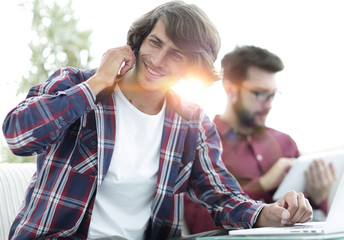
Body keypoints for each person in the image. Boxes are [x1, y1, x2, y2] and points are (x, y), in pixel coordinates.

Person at [2, 3, 312, 240]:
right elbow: (17, 137)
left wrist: (268, 214)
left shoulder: (192, 123)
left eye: (177, 55)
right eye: (155, 42)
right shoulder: (77, 84)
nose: (159, 60)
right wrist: (95, 85)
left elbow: (222, 196)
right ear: (138, 40)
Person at [184, 45, 336, 234]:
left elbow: (317, 223)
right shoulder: (201, 144)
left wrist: (319, 197)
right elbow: (201, 225)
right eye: (260, 94)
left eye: (272, 94)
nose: (269, 104)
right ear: (231, 89)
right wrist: (263, 184)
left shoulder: (286, 143)